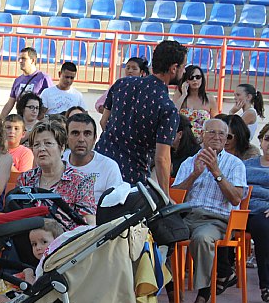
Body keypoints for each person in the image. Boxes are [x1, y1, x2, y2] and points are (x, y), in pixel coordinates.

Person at [172, 118, 247, 303]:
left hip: (216, 219)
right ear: (202, 136)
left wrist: (216, 172)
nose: (217, 137)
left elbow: (236, 198)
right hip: (187, 215)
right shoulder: (190, 162)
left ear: (227, 139)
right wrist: (194, 175)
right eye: (212, 132)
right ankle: (171, 289)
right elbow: (175, 197)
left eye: (222, 134)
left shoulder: (235, 164)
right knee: (162, 235)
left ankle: (204, 294)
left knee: (202, 238)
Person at [96, 40, 187, 196]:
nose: (184, 72)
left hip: (100, 163)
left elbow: (104, 121)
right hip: (130, 178)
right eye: (183, 67)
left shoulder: (122, 84)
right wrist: (165, 197)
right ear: (173, 68)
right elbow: (162, 158)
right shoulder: (168, 108)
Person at [18, 122, 96, 229]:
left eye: (48, 143)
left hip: (68, 242)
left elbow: (89, 224)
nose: (41, 149)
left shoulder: (81, 180)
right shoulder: (25, 179)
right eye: (36, 145)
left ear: (62, 148)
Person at [63, 113, 123, 204]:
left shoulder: (109, 167)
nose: (81, 139)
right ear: (66, 137)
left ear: (95, 138)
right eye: (75, 133)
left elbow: (115, 205)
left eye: (87, 133)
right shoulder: (58, 162)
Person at [244, 124, 269, 303]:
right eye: (267, 139)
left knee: (262, 228)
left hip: (264, 213)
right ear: (260, 141)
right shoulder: (245, 165)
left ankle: (266, 285)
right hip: (243, 210)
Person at [0, 47, 53, 118]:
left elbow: (51, 100)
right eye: (19, 58)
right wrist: (0, 120)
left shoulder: (43, 78)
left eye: (24, 58)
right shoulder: (18, 80)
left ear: (32, 60)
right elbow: (10, 102)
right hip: (21, 119)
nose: (20, 61)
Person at [172, 65, 218, 138]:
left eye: (198, 77)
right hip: (183, 139)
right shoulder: (179, 95)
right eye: (191, 77)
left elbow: (215, 122)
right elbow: (173, 113)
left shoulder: (209, 98)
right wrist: (184, 95)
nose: (195, 80)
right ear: (186, 80)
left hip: (202, 140)